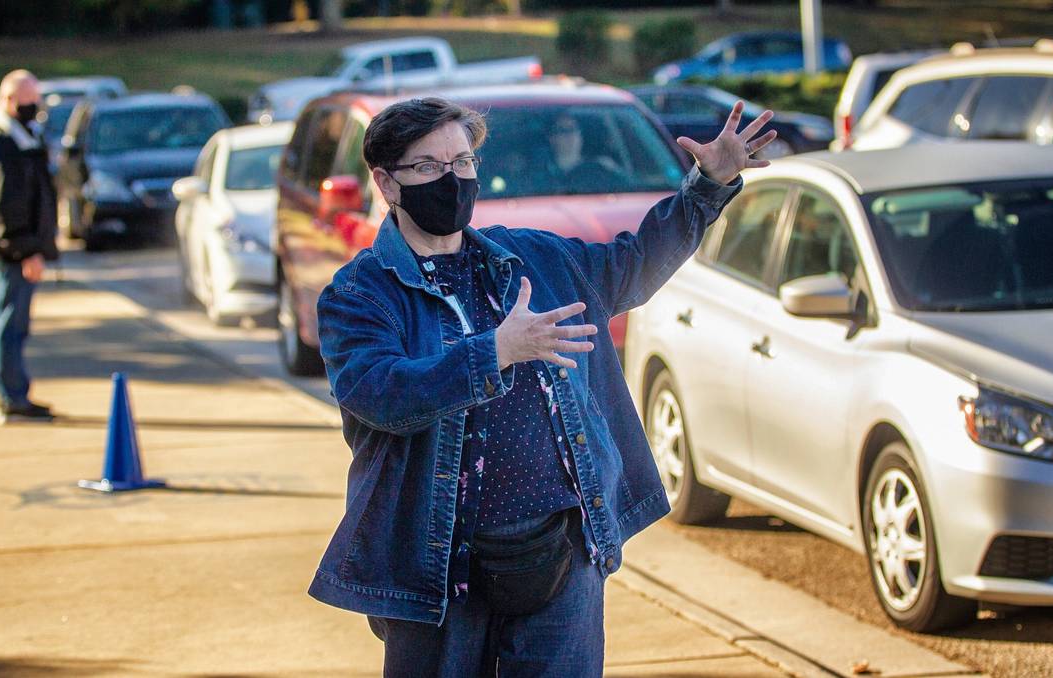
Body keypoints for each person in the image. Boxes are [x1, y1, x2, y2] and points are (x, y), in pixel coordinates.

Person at [307, 96, 775, 677]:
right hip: (436, 569)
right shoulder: (360, 295)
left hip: (562, 550)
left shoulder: (535, 259)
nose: (451, 180)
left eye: (463, 162)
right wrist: (495, 351)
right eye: (428, 167)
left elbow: (634, 264)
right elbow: (380, 394)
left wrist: (709, 184)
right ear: (386, 183)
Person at [0, 70, 59, 423]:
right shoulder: (4, 143)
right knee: (11, 323)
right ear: (9, 100)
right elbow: (8, 206)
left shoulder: (19, 136)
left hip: (13, 248)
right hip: (14, 251)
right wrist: (27, 250)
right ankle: (12, 397)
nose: (34, 108)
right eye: (28, 102)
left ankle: (13, 393)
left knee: (8, 320)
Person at [545, 112, 627, 193]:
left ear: (580, 135)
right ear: (551, 138)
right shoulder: (539, 173)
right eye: (563, 130)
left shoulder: (601, 168)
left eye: (574, 129)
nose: (570, 135)